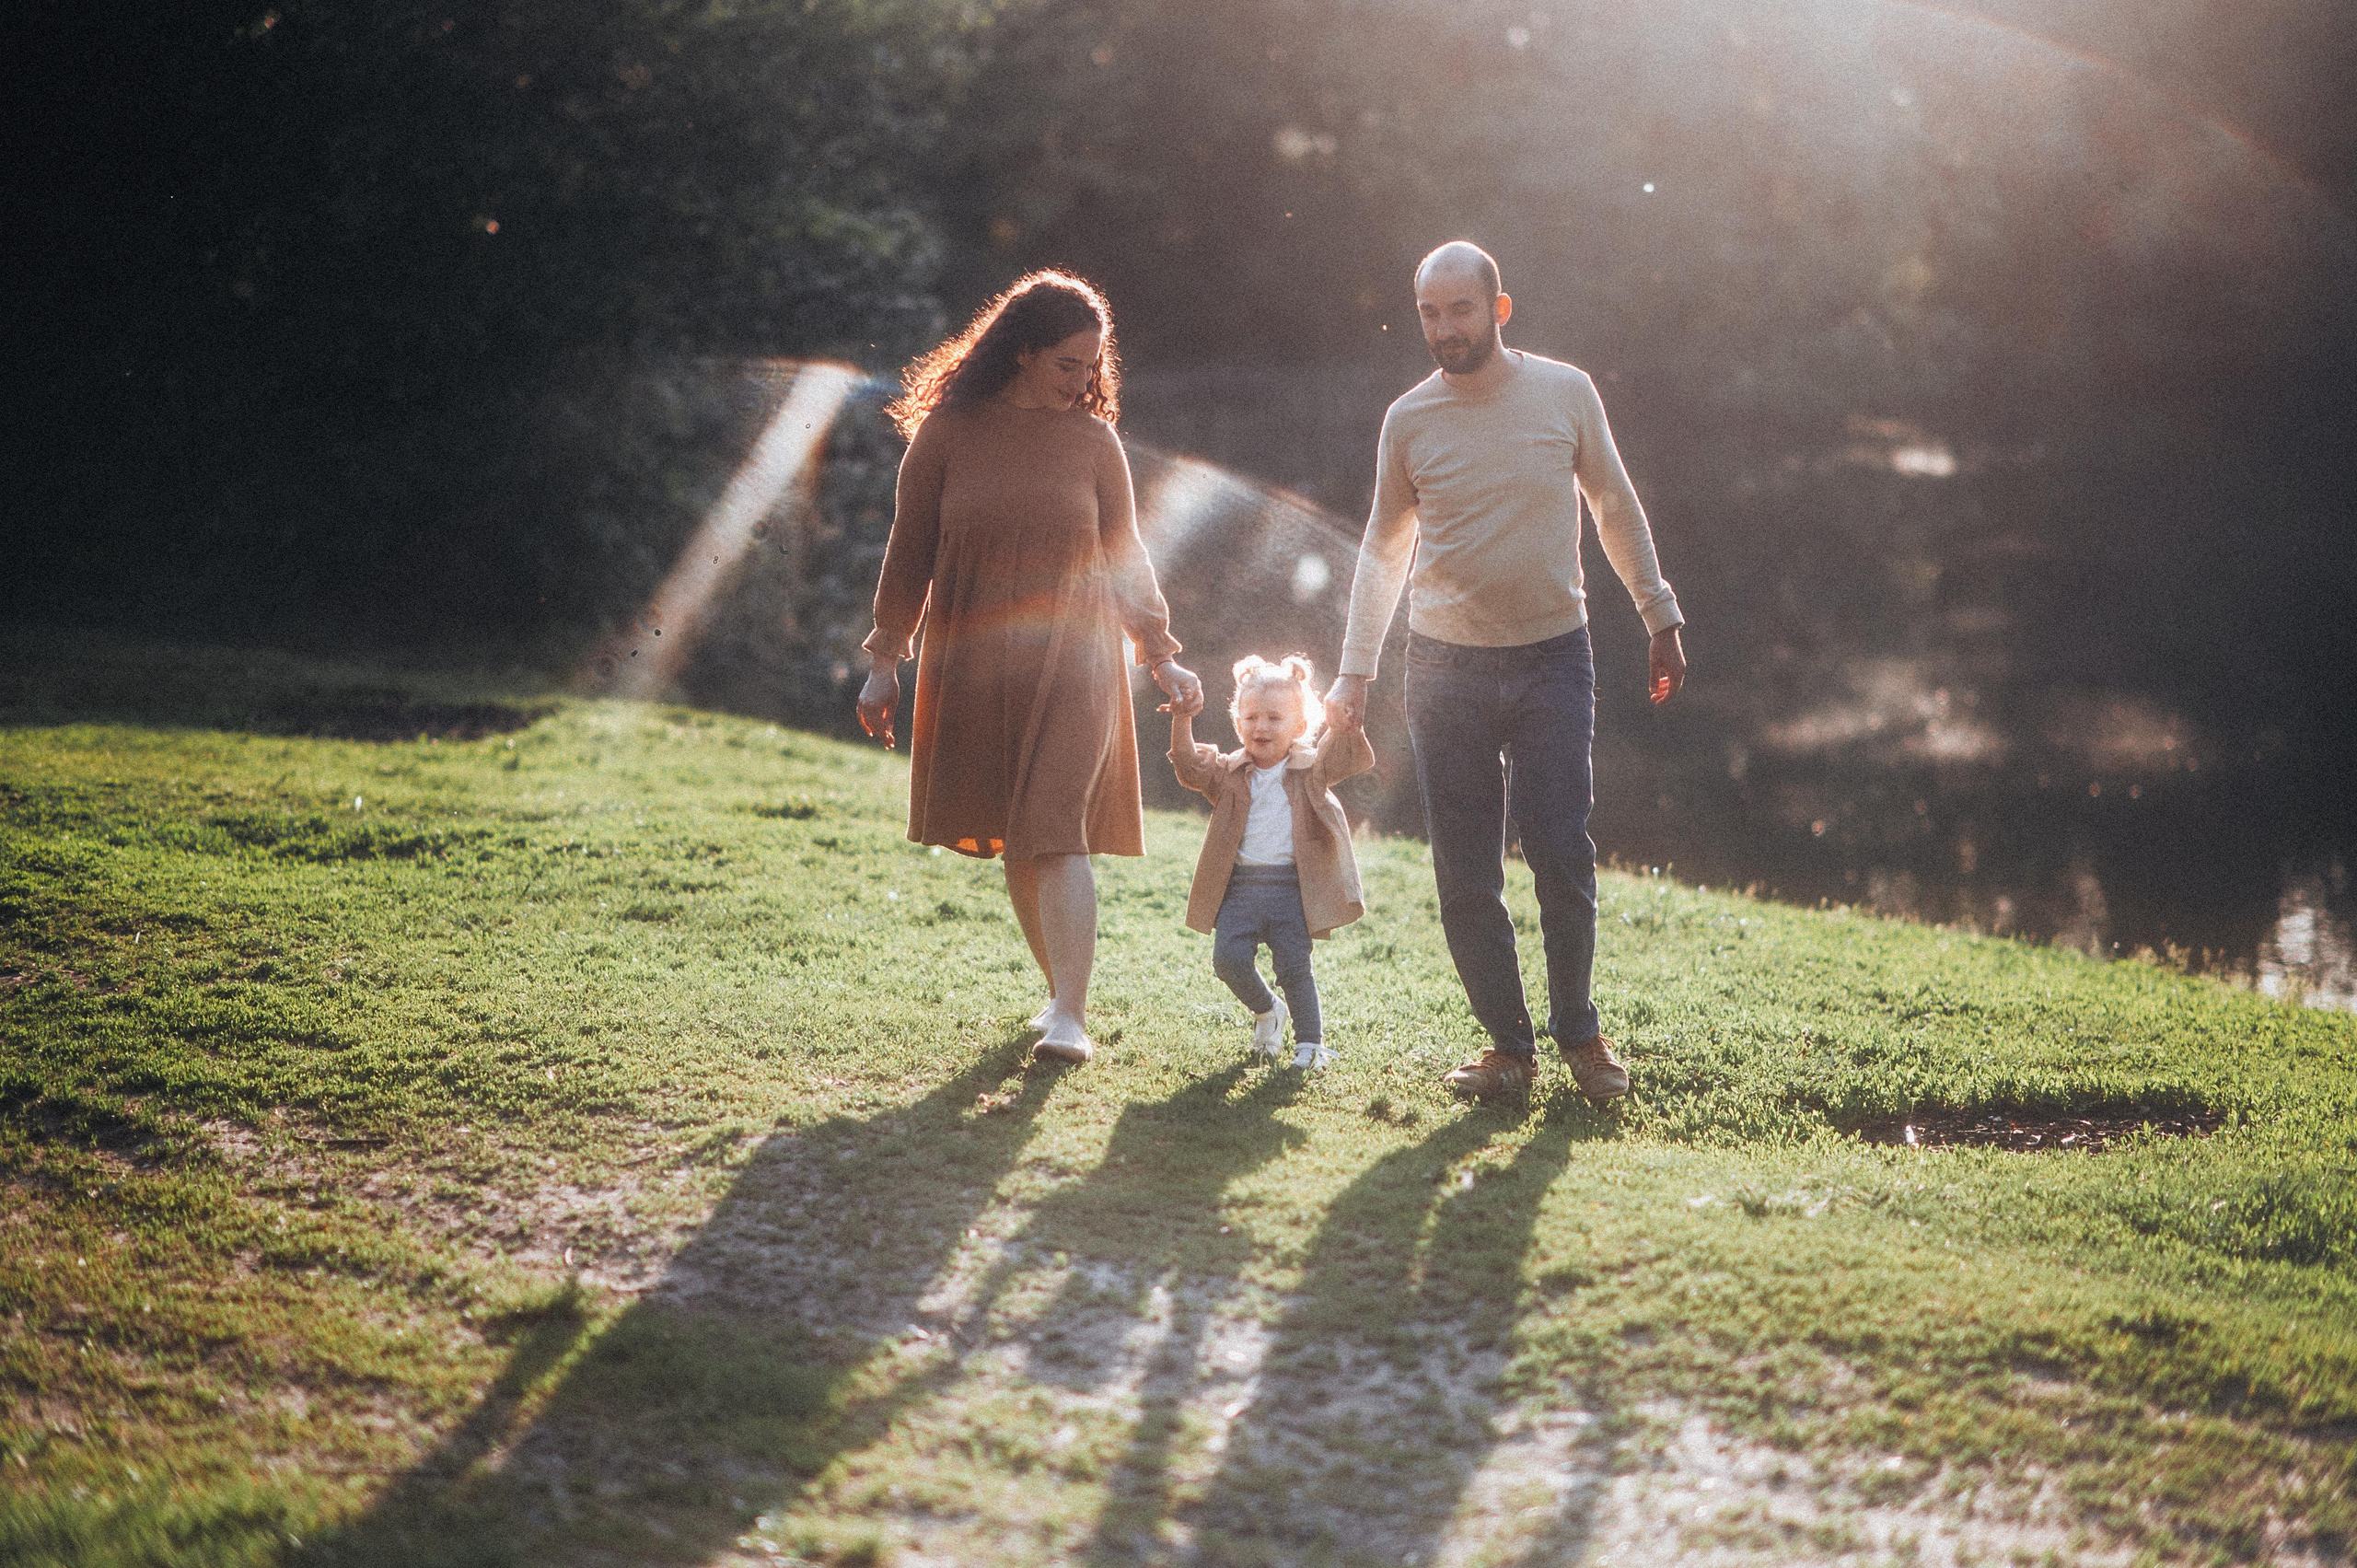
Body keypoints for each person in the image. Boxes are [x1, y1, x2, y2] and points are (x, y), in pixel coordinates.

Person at [1323, 241, 1689, 1104]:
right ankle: (1508, 1049)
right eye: (1429, 312)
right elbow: (1384, 547)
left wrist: (1660, 613)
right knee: (1465, 867)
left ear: (1500, 308)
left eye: (1460, 309)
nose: (1444, 328)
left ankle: (1581, 1035)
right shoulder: (1408, 419)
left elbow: (1614, 505)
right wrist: (1355, 672)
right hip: (1442, 667)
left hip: (1553, 655)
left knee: (1561, 847)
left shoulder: (1565, 392)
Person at [857, 271, 1202, 1064]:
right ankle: (1061, 998)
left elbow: (1125, 556)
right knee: (1019, 835)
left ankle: (1071, 1016)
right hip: (973, 655)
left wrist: (1160, 652)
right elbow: (908, 556)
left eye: (1093, 367)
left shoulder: (1094, 443)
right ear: (1020, 352)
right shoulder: (946, 434)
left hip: (1078, 655)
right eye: (1067, 366)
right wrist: (884, 661)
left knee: (1055, 824)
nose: (1084, 383)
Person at [1168, 655, 1375, 1070]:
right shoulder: (1230, 772)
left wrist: (1345, 721)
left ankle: (1311, 1044)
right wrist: (1181, 719)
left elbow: (1344, 755)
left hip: (1290, 889)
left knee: (1295, 966)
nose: (1261, 727)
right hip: (1240, 888)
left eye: (1274, 718)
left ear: (1299, 727)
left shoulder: (1310, 770)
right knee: (1227, 960)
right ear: (1238, 722)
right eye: (1252, 717)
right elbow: (1190, 767)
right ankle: (1268, 1010)